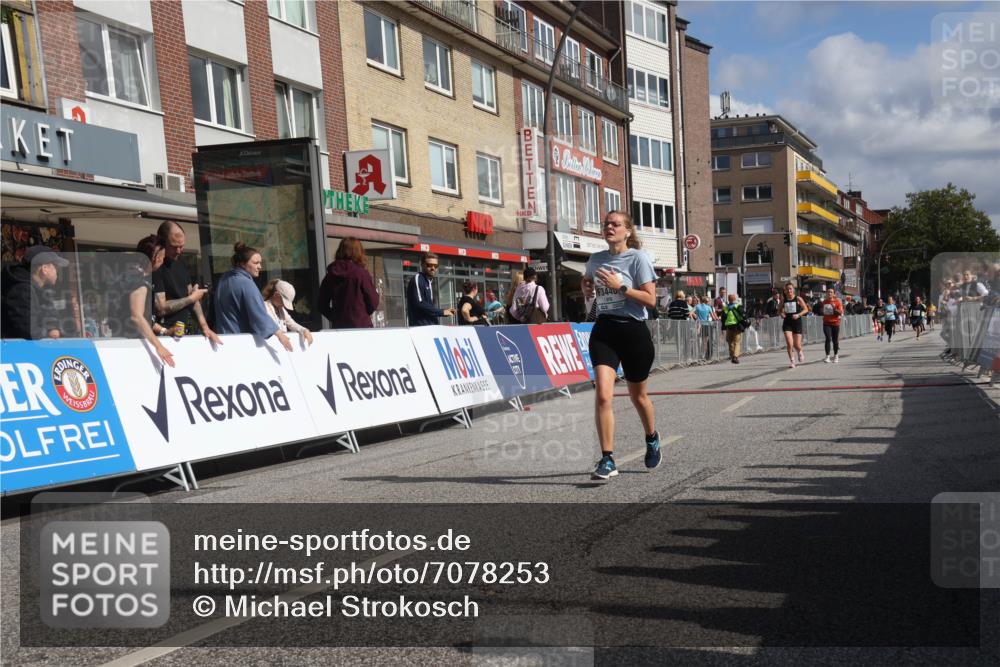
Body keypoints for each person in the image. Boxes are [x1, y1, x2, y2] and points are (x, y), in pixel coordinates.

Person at [581, 210, 660, 481]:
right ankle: (607, 458)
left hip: (633, 331)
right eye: (606, 224)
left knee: (638, 397)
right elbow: (588, 280)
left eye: (616, 224)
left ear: (627, 231)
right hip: (605, 330)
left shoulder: (638, 258)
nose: (609, 227)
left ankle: (651, 437)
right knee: (604, 395)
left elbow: (651, 300)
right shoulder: (596, 259)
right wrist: (586, 287)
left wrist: (621, 287)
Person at [107, 235, 176, 367]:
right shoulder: (139, 281)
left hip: (123, 342)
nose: (162, 260)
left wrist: (164, 331)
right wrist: (159, 346)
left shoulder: (130, 275)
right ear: (156, 258)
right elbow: (137, 317)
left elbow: (144, 318)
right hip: (131, 346)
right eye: (162, 256)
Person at [152, 221, 221, 345]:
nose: (179, 251)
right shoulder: (156, 265)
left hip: (183, 333)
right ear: (162, 242)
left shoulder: (181, 261)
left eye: (182, 246)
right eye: (174, 246)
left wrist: (205, 327)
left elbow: (192, 297)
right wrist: (191, 298)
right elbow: (161, 308)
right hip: (164, 336)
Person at [213, 242, 293, 351]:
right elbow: (258, 314)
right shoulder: (246, 283)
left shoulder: (224, 279)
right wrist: (280, 334)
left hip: (222, 339)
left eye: (260, 262)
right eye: (256, 263)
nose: (260, 266)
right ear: (242, 264)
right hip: (241, 342)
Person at [1, 245, 69, 340]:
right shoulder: (21, 290)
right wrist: (49, 333)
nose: (57, 271)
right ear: (44, 268)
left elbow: (51, 318)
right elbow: (28, 330)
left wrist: (53, 328)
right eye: (55, 267)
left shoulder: (41, 290)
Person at [318, 237, 379, 329]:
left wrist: (335, 317)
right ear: (359, 252)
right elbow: (373, 301)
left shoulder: (330, 275)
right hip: (361, 326)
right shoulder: (361, 274)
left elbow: (321, 304)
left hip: (339, 328)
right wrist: (361, 314)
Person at [406, 252, 455, 326]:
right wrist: (442, 312)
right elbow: (419, 304)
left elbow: (428, 307)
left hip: (430, 326)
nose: (433, 268)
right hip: (421, 328)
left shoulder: (428, 281)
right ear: (422, 265)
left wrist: (444, 311)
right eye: (429, 265)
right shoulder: (418, 279)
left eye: (436, 266)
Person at [262, 279, 314, 346]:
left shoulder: (281, 309)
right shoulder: (264, 306)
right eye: (283, 301)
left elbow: (291, 323)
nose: (284, 305)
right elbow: (269, 326)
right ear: (276, 295)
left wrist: (304, 330)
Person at [780, 282, 809, 368]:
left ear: (793, 290)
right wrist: (781, 314)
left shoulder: (798, 299)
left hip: (797, 322)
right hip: (787, 323)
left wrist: (798, 315)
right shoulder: (784, 300)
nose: (789, 290)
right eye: (787, 289)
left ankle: (800, 351)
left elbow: (806, 309)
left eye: (790, 289)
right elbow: (779, 310)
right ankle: (792, 361)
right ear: (785, 291)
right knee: (789, 343)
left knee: (797, 345)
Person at [721, 293, 747, 364]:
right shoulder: (738, 306)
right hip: (737, 326)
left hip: (729, 327)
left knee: (730, 342)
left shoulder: (726, 308)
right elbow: (744, 315)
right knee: (737, 342)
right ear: (735, 299)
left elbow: (723, 318)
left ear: (728, 300)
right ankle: (735, 356)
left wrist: (723, 328)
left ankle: (732, 356)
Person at [821, 286, 844, 363]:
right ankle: (827, 356)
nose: (829, 293)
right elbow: (821, 311)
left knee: (835, 340)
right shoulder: (824, 302)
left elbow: (840, 312)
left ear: (834, 294)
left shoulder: (837, 302)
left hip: (835, 323)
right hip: (826, 323)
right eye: (828, 292)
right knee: (828, 338)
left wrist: (834, 308)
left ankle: (836, 355)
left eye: (831, 292)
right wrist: (821, 310)